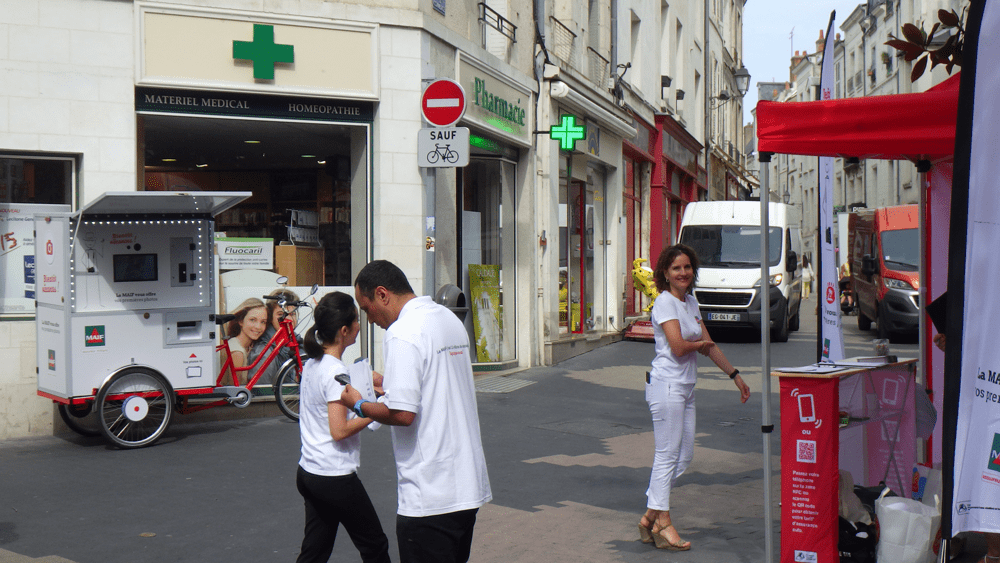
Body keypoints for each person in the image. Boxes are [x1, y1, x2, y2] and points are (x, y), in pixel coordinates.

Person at [340, 260, 492, 563]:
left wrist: (357, 403)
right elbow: (437, 383)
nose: (369, 320)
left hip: (429, 494)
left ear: (382, 294)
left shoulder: (402, 332)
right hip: (465, 486)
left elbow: (402, 415)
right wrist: (389, 384)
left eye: (367, 308)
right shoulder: (447, 319)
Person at [637, 244, 750, 551]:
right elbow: (677, 346)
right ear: (665, 273)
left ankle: (650, 514)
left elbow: (709, 344)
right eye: (676, 268)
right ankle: (663, 522)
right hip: (666, 386)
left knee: (684, 456)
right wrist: (698, 343)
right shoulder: (664, 303)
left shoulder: (690, 302)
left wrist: (735, 375)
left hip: (685, 387)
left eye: (687, 267)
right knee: (667, 455)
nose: (683, 273)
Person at [295, 291, 390, 563]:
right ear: (344, 330)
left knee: (315, 551)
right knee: (374, 545)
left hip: (310, 472)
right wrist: (374, 410)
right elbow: (338, 431)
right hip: (333, 476)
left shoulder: (315, 364)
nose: (362, 326)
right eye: (357, 321)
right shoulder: (335, 372)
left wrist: (369, 389)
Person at [248, 288, 301, 385]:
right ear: (270, 317)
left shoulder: (299, 343)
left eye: (292, 314)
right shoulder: (264, 353)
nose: (288, 319)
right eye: (281, 314)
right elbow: (263, 394)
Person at [222, 297, 267, 386]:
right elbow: (235, 390)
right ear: (241, 321)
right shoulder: (237, 352)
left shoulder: (248, 347)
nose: (258, 326)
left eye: (263, 322)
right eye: (252, 320)